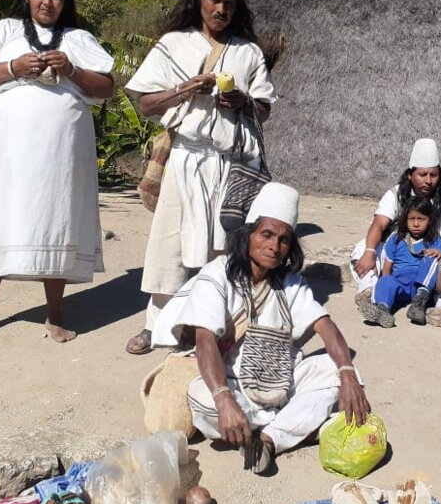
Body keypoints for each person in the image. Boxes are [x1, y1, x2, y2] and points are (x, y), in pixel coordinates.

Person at [152, 182, 370, 474]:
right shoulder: (217, 274)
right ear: (248, 235)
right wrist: (224, 399)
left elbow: (326, 326)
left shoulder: (292, 283)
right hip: (231, 384)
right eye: (266, 235)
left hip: (280, 381)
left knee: (337, 372)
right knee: (203, 398)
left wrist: (347, 373)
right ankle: (292, 423)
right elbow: (204, 341)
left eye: (283, 240)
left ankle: (268, 439)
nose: (274, 246)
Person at [124, 0, 276, 355]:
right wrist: (184, 89)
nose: (220, 9)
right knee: (169, 245)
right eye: (214, 0)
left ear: (236, 6)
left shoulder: (247, 52)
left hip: (227, 163)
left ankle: (208, 325)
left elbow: (265, 108)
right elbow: (145, 103)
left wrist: (242, 100)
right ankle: (156, 325)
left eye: (228, 3)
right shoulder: (173, 45)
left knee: (220, 247)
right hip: (185, 158)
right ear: (199, 0)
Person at [0, 0, 115, 344]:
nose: (47, 2)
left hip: (61, 154)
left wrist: (72, 69)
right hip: (9, 154)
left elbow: (106, 88)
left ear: (65, 1)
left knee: (57, 218)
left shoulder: (78, 38)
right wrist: (14, 67)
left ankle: (55, 313)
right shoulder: (6, 31)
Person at [350, 138, 441, 330]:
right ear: (410, 175)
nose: (428, 180)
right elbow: (378, 224)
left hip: (436, 261)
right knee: (363, 248)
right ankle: (370, 293)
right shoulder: (395, 194)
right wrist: (369, 252)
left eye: (433, 175)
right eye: (422, 174)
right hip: (400, 262)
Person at [359, 196, 441, 328]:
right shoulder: (396, 239)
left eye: (421, 219)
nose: (416, 224)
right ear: (405, 220)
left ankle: (419, 304)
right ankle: (382, 309)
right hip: (400, 285)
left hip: (421, 286)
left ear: (430, 220)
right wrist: (385, 285)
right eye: (411, 219)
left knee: (432, 258)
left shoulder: (434, 240)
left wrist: (440, 254)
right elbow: (387, 267)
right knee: (385, 280)